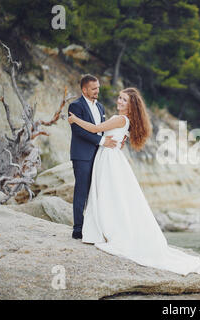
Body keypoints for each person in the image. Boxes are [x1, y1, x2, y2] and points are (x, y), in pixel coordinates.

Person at [68, 87, 200, 276]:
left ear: (131, 105)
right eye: (119, 98)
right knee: (110, 195)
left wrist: (75, 120)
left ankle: (106, 230)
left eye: (124, 100)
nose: (119, 101)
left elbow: (95, 129)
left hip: (109, 159)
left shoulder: (120, 119)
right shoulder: (124, 120)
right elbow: (110, 134)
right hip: (110, 157)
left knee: (108, 194)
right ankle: (102, 229)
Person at [68, 74, 124, 240]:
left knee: (97, 191)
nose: (97, 91)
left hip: (100, 156)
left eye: (98, 88)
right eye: (94, 89)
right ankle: (77, 229)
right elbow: (78, 131)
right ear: (84, 89)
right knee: (81, 191)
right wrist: (101, 141)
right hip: (82, 155)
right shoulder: (75, 106)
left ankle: (94, 228)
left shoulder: (100, 106)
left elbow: (103, 128)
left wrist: (119, 136)